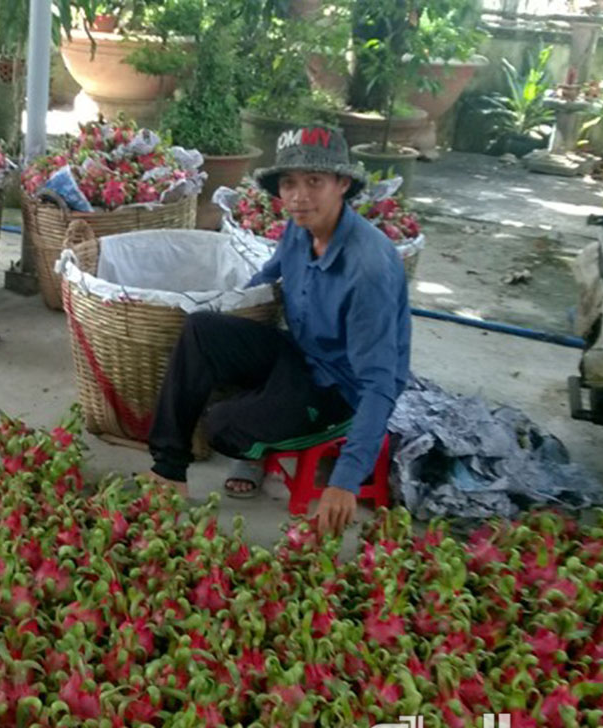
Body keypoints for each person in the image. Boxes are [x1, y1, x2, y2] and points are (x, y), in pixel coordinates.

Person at [146, 124, 411, 536]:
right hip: (299, 353)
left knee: (221, 427)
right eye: (289, 183)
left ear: (341, 184)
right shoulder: (299, 229)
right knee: (201, 331)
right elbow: (267, 278)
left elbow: (379, 382)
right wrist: (228, 316)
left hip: (338, 390)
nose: (299, 196)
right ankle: (169, 471)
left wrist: (344, 480)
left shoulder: (367, 269)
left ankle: (255, 443)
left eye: (314, 182)